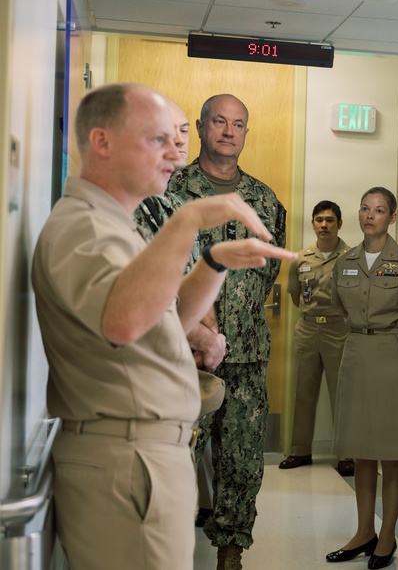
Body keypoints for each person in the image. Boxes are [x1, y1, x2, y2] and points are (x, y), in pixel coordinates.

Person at [31, 83, 295, 570]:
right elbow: (127, 319)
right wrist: (188, 222)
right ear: (103, 142)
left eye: (171, 139)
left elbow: (167, 313)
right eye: (156, 139)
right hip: (122, 454)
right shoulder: (87, 226)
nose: (171, 151)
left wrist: (213, 262)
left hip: (150, 445)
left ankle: (231, 549)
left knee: (240, 461)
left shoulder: (118, 222)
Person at [168, 93, 287, 570]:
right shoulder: (171, 189)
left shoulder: (264, 199)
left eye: (238, 124)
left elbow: (267, 273)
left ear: (245, 133)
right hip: (179, 355)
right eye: (219, 121)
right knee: (174, 455)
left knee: (241, 461)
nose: (229, 131)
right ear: (201, 126)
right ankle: (167, 543)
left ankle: (230, 551)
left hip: (245, 353)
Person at [324, 187, 398, 569]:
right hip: (355, 355)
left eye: (380, 210)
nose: (370, 215)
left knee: (392, 451)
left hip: (392, 357)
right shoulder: (344, 263)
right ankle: (363, 532)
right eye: (365, 209)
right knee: (361, 450)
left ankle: (386, 535)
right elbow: (340, 306)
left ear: (393, 217)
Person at [132, 96, 224, 528]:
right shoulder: (124, 207)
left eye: (186, 129)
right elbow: (147, 301)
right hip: (138, 393)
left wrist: (211, 332)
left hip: (177, 382)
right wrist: (203, 338)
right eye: (171, 130)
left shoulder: (167, 205)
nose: (183, 140)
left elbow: (189, 280)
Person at [279, 200, 354, 475]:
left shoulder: (351, 257)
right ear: (313, 223)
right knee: (303, 391)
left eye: (330, 220)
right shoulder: (299, 258)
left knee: (342, 394)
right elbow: (296, 296)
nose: (324, 225)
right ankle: (300, 451)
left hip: (339, 331)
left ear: (339, 224)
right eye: (319, 219)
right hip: (308, 330)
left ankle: (347, 454)